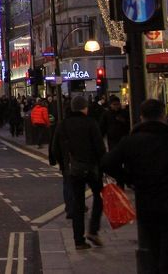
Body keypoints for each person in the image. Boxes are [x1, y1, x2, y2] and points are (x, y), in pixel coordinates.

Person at [102, 99, 168, 274]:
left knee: (152, 249)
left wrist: (130, 179)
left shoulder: (131, 142)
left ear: (141, 117)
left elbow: (107, 163)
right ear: (163, 115)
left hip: (147, 203)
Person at [50, 95, 106, 250]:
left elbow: (54, 148)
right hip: (92, 168)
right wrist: (103, 165)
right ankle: (93, 230)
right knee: (99, 197)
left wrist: (63, 164)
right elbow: (100, 148)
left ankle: (78, 240)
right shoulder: (91, 123)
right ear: (84, 108)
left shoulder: (63, 125)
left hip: (73, 169)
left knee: (78, 204)